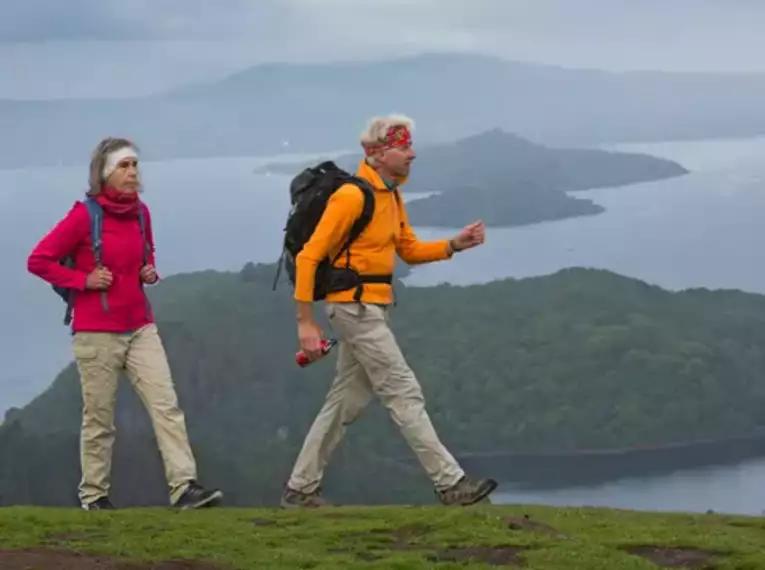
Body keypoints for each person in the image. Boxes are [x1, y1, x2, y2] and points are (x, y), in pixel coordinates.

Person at [282, 114, 497, 508]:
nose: (412, 154)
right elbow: (311, 255)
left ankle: (300, 489)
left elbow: (408, 250)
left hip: (370, 309)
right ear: (378, 155)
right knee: (403, 390)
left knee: (346, 399)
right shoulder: (352, 197)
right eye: (403, 147)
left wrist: (454, 245)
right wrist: (305, 321)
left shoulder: (391, 196)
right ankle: (450, 483)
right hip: (354, 309)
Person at [27, 137, 223, 511]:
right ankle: (94, 496)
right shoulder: (84, 215)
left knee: (166, 406)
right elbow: (39, 260)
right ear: (105, 173)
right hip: (96, 332)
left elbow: (142, 255)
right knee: (99, 418)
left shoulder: (140, 213)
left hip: (140, 326)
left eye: (135, 165)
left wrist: (147, 271)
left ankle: (184, 487)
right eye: (124, 166)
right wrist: (83, 281)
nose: (133, 173)